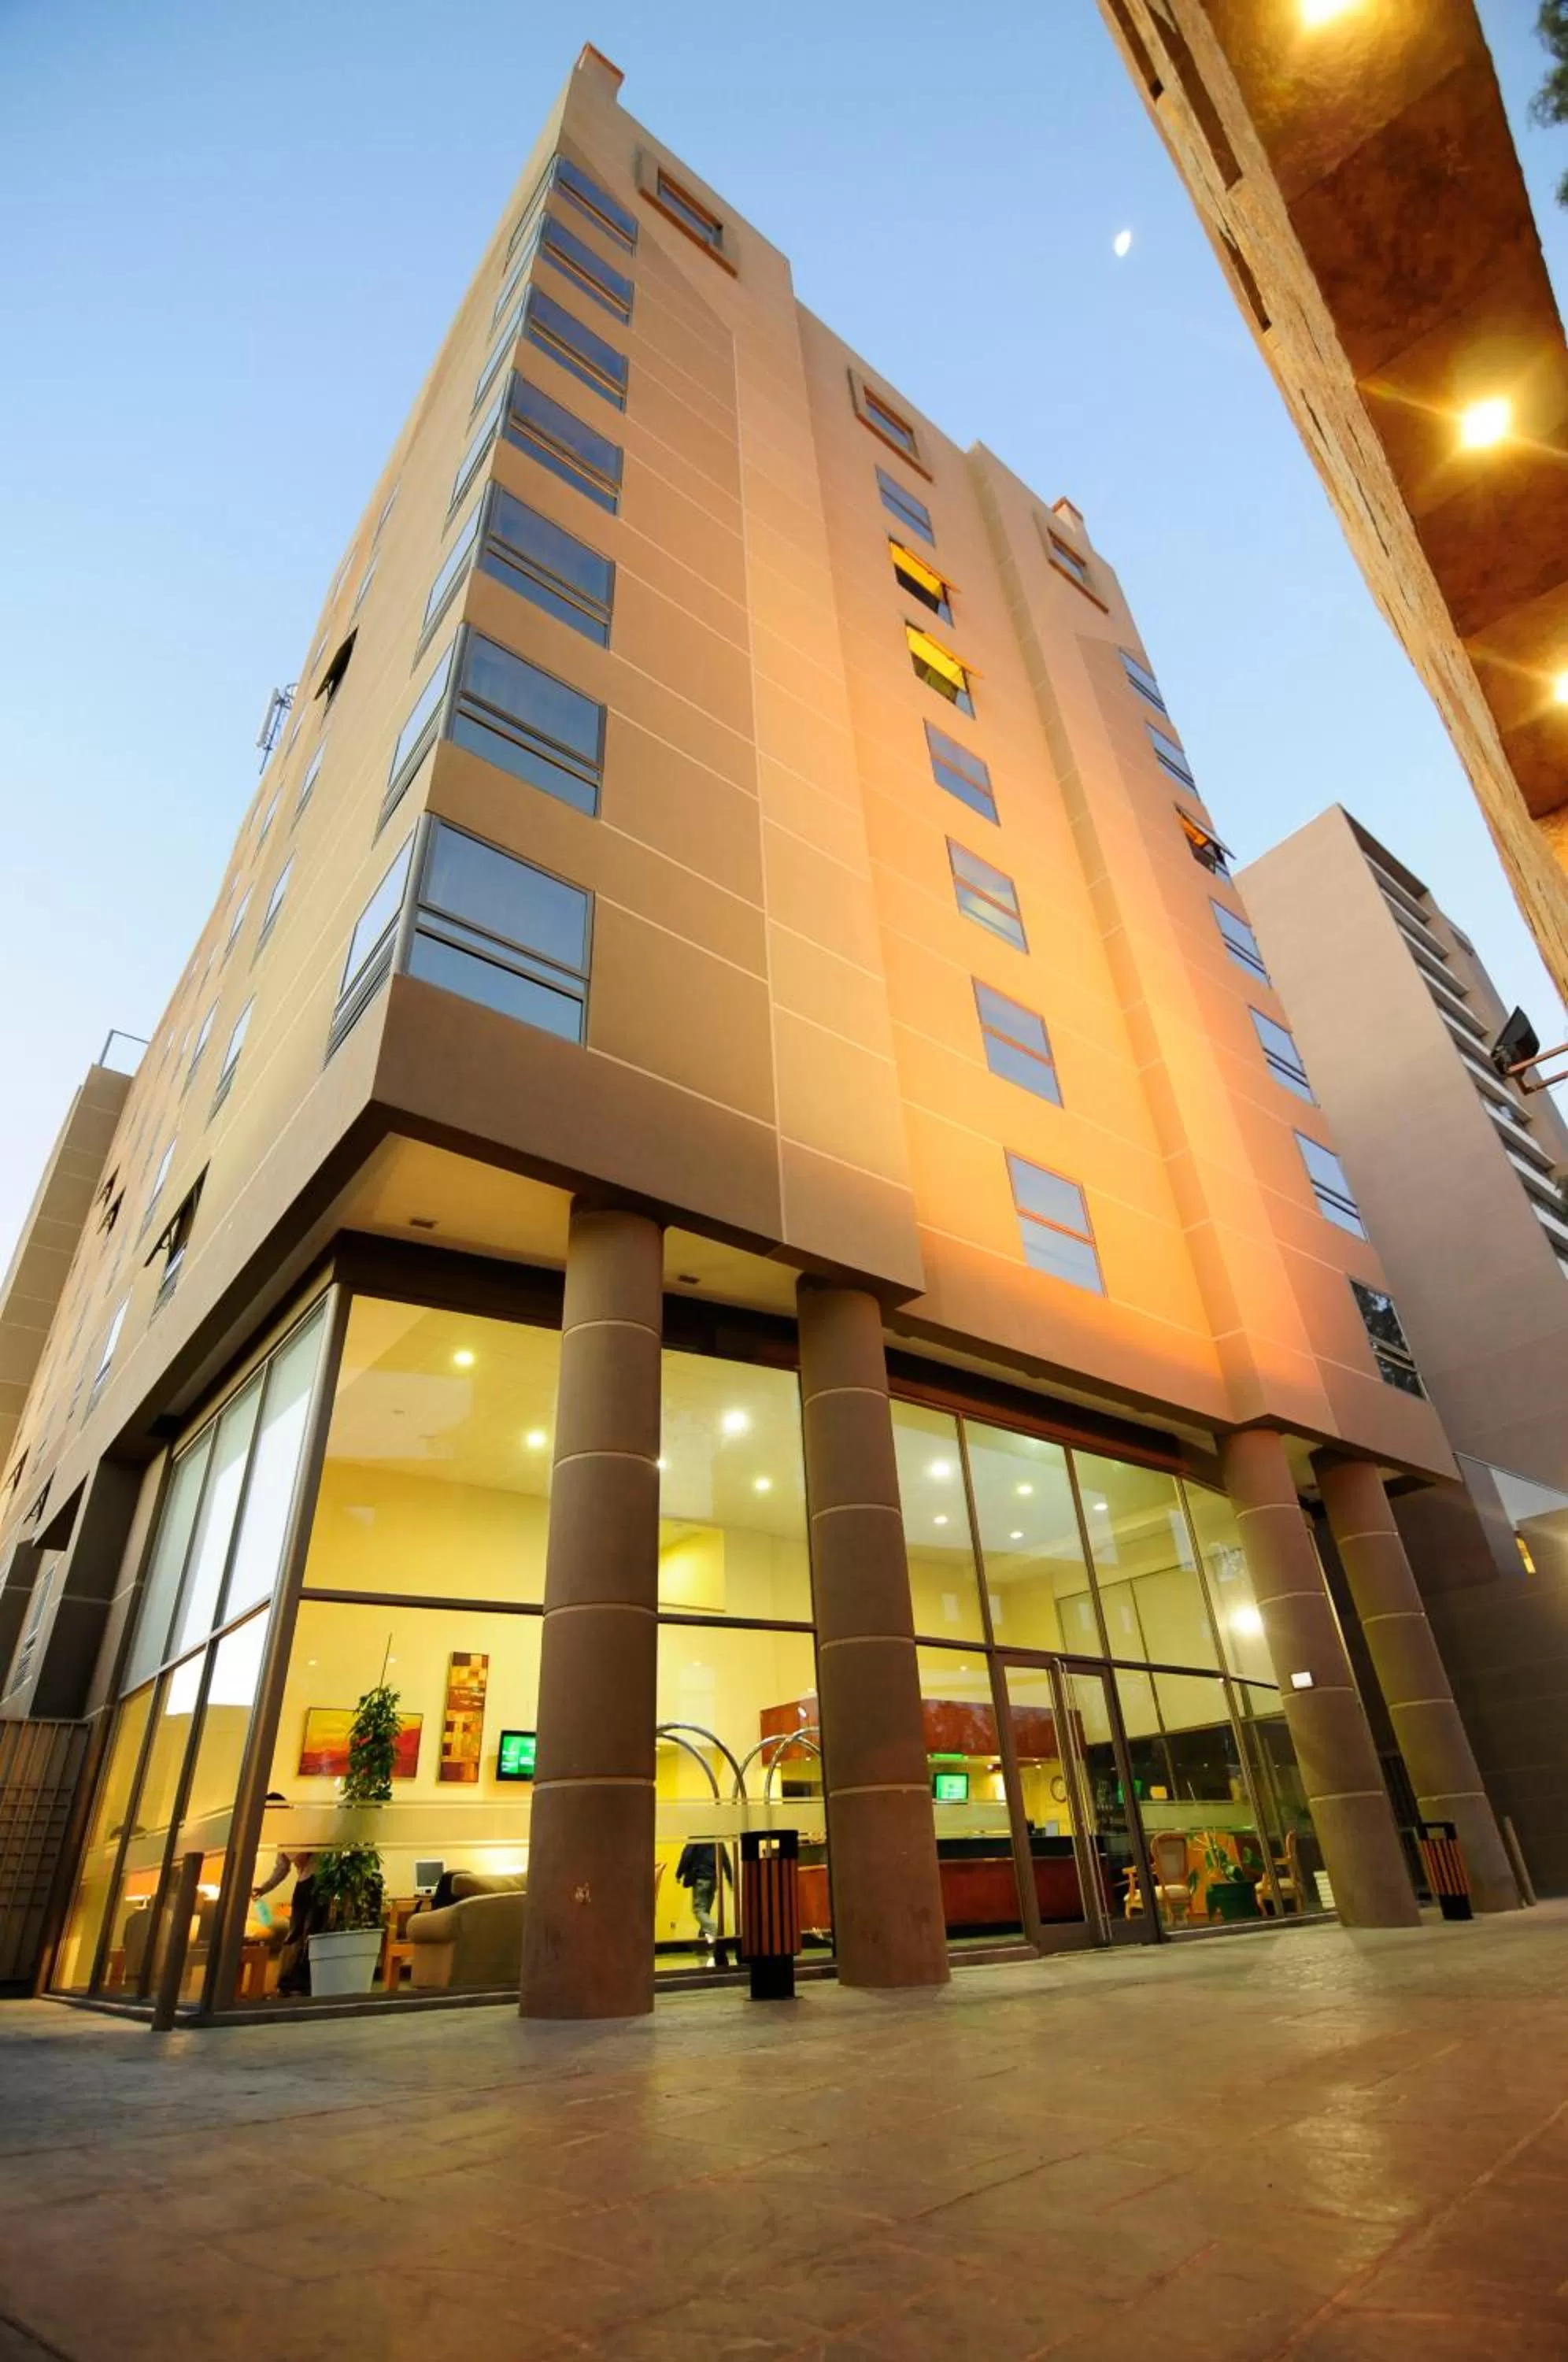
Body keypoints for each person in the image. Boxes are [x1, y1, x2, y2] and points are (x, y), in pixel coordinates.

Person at [674, 1840, 730, 1964]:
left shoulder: (697, 1837)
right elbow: (725, 1859)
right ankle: (701, 1947)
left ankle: (715, 1931)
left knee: (699, 1911)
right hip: (713, 1881)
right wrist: (730, 1878)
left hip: (701, 1879)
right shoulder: (717, 1840)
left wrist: (679, 1874)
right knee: (705, 1912)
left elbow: (687, 1856)